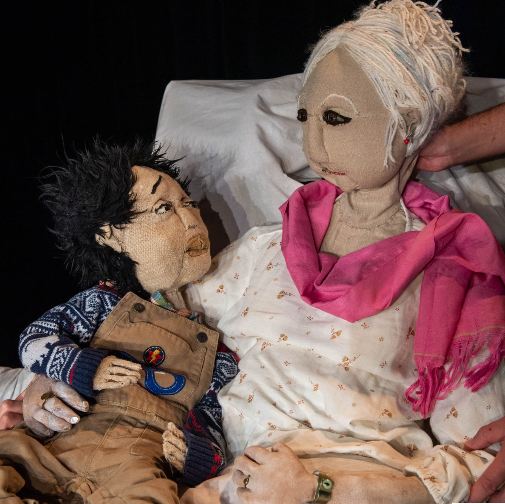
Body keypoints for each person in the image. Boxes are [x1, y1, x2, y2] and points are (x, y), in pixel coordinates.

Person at [0, 139, 238, 502]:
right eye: (163, 208)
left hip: (138, 460)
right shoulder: (102, 302)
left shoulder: (217, 351)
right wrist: (83, 367)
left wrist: (198, 456)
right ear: (109, 235)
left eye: (189, 203)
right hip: (63, 436)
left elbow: (211, 417)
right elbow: (34, 340)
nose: (191, 219)